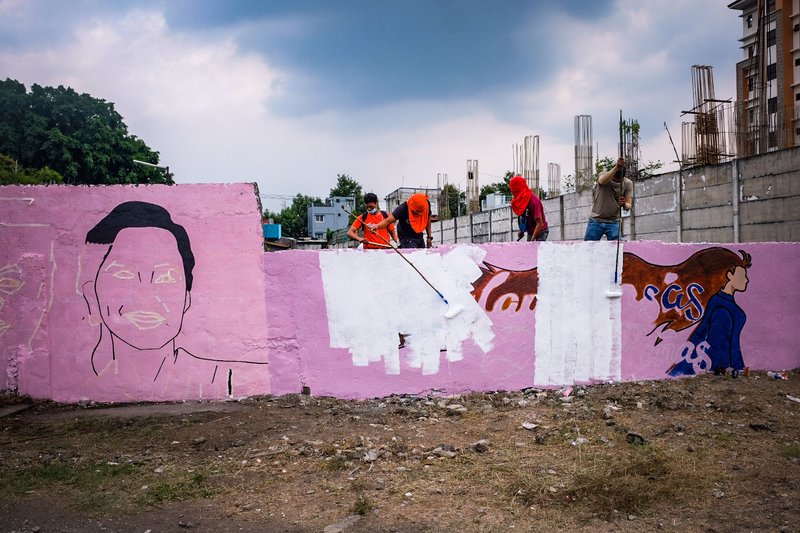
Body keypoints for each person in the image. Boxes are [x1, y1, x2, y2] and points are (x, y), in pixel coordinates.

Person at [584, 157, 633, 241]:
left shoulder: (627, 183)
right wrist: (616, 167)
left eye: (619, 181)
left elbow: (628, 206)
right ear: (612, 174)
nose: (617, 182)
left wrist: (624, 204)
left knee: (617, 249)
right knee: (588, 248)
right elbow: (602, 181)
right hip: (596, 220)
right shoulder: (603, 175)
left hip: (614, 222)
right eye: (615, 180)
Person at [368, 192, 433, 249]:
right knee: (412, 256)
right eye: (416, 212)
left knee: (421, 256)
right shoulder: (403, 209)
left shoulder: (426, 204)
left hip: (419, 235)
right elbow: (387, 221)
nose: (419, 214)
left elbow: (428, 221)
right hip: (406, 237)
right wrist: (376, 226)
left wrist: (429, 237)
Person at [509, 175, 548, 241]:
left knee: (534, 248)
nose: (512, 193)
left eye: (513, 190)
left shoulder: (534, 202)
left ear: (518, 190)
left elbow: (539, 224)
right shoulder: (521, 201)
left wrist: (532, 240)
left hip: (541, 230)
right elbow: (525, 217)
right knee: (529, 249)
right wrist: (522, 230)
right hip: (531, 231)